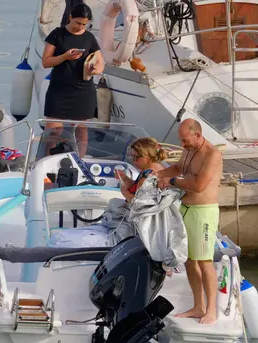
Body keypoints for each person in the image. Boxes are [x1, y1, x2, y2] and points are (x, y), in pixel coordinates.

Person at [154, 118, 223, 325]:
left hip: (204, 212)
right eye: (181, 141)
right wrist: (156, 173)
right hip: (186, 208)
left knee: (205, 262)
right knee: (190, 261)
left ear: (198, 135)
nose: (182, 144)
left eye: (185, 140)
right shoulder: (189, 149)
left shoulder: (212, 154)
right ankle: (198, 306)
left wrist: (171, 182)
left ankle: (211, 310)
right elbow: (178, 168)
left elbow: (200, 185)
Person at [42, 3, 104, 158]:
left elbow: (100, 62)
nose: (80, 27)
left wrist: (94, 70)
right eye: (78, 23)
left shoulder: (89, 37)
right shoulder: (57, 34)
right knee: (54, 132)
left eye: (84, 24)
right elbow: (46, 62)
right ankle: (49, 161)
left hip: (83, 90)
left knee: (82, 130)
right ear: (70, 17)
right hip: (59, 90)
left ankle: (80, 160)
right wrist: (65, 56)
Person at [116, 137, 168, 203]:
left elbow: (137, 203)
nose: (133, 160)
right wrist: (125, 178)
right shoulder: (160, 169)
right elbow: (138, 187)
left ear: (147, 156)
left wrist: (125, 193)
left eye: (136, 157)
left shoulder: (148, 175)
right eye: (132, 156)